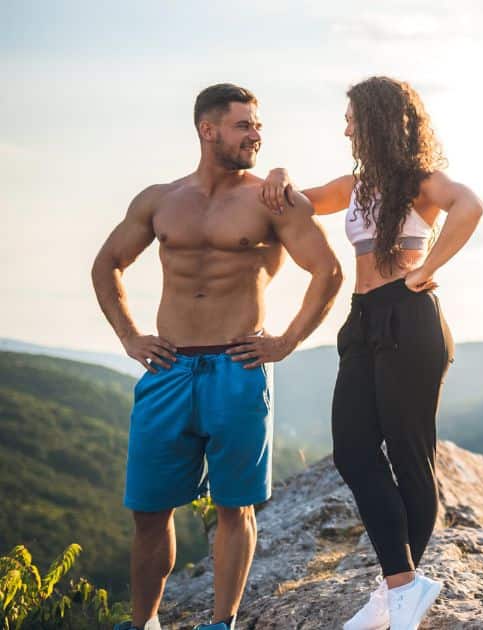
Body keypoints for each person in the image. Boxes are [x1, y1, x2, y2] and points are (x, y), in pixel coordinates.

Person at [92, 83, 343, 630]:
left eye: (258, 125)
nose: (256, 134)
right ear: (209, 130)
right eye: (244, 125)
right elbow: (107, 263)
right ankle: (144, 624)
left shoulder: (271, 200)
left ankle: (220, 623)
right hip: (168, 369)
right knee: (149, 512)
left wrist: (286, 341)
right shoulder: (159, 199)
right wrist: (131, 337)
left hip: (238, 368)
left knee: (235, 507)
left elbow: (328, 272)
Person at [260, 75, 483, 629]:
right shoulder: (356, 186)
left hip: (407, 317)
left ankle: (398, 591)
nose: (346, 127)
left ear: (380, 121)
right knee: (354, 449)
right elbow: (296, 202)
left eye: (354, 118)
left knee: (410, 453)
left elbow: (471, 206)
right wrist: (279, 172)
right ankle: (403, 585)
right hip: (362, 320)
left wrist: (428, 269)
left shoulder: (419, 183)